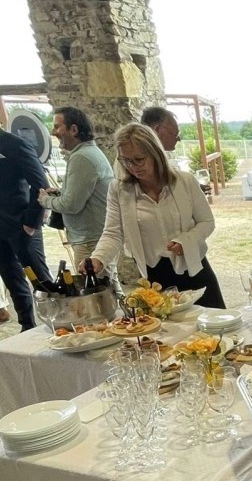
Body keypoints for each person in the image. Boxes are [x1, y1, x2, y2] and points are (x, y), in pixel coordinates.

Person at [85, 123, 226, 308]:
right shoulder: (119, 190)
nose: (132, 167)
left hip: (195, 271)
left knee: (217, 332)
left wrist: (187, 240)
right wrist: (98, 258)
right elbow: (113, 233)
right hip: (155, 279)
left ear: (156, 154)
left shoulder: (185, 182)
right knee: (170, 335)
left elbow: (207, 222)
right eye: (125, 160)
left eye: (138, 159)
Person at [37, 106, 114, 272]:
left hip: (89, 241)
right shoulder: (88, 152)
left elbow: (71, 205)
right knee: (106, 288)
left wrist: (46, 200)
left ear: (73, 129)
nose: (53, 132)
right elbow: (83, 194)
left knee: (95, 292)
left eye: (57, 126)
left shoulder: (81, 157)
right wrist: (60, 193)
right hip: (93, 237)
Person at [0, 124, 52, 330]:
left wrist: (31, 223)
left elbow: (40, 184)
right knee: (13, 282)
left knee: (42, 282)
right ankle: (27, 327)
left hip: (21, 224)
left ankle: (60, 327)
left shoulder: (15, 144)